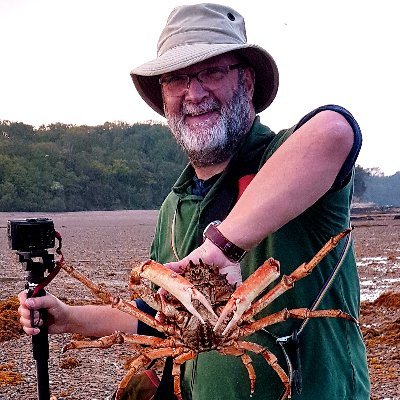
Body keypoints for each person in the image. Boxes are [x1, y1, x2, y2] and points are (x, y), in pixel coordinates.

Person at [19, 3, 370, 400]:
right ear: (164, 96)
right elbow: (156, 319)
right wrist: (68, 318)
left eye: (213, 71)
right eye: (177, 79)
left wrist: (222, 246)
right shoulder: (175, 206)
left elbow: (334, 129)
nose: (195, 92)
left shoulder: (285, 161)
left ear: (248, 82)